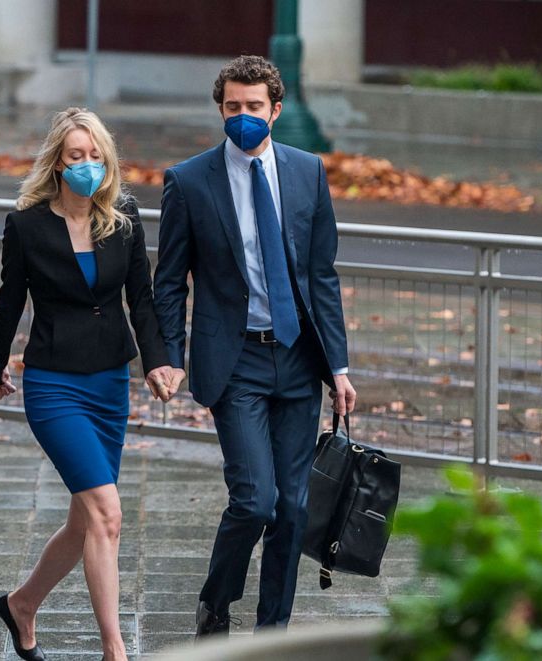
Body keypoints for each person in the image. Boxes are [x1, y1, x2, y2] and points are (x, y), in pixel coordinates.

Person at [153, 55, 358, 635]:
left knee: (293, 507)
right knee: (255, 501)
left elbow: (322, 275)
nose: (244, 116)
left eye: (254, 107)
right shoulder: (189, 181)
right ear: (221, 108)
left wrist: (338, 366)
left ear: (276, 109)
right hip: (234, 358)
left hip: (298, 357)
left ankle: (274, 633)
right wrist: (169, 355)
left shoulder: (307, 171)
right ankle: (216, 603)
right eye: (233, 107)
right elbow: (169, 280)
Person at [0, 107, 179, 661]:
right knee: (108, 513)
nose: (87, 165)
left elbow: (141, 297)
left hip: (111, 382)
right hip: (54, 385)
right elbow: (11, 300)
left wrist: (157, 362)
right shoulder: (26, 225)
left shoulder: (124, 218)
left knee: (85, 519)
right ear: (57, 162)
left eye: (95, 155)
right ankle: (115, 649)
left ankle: (21, 604)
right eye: (76, 156)